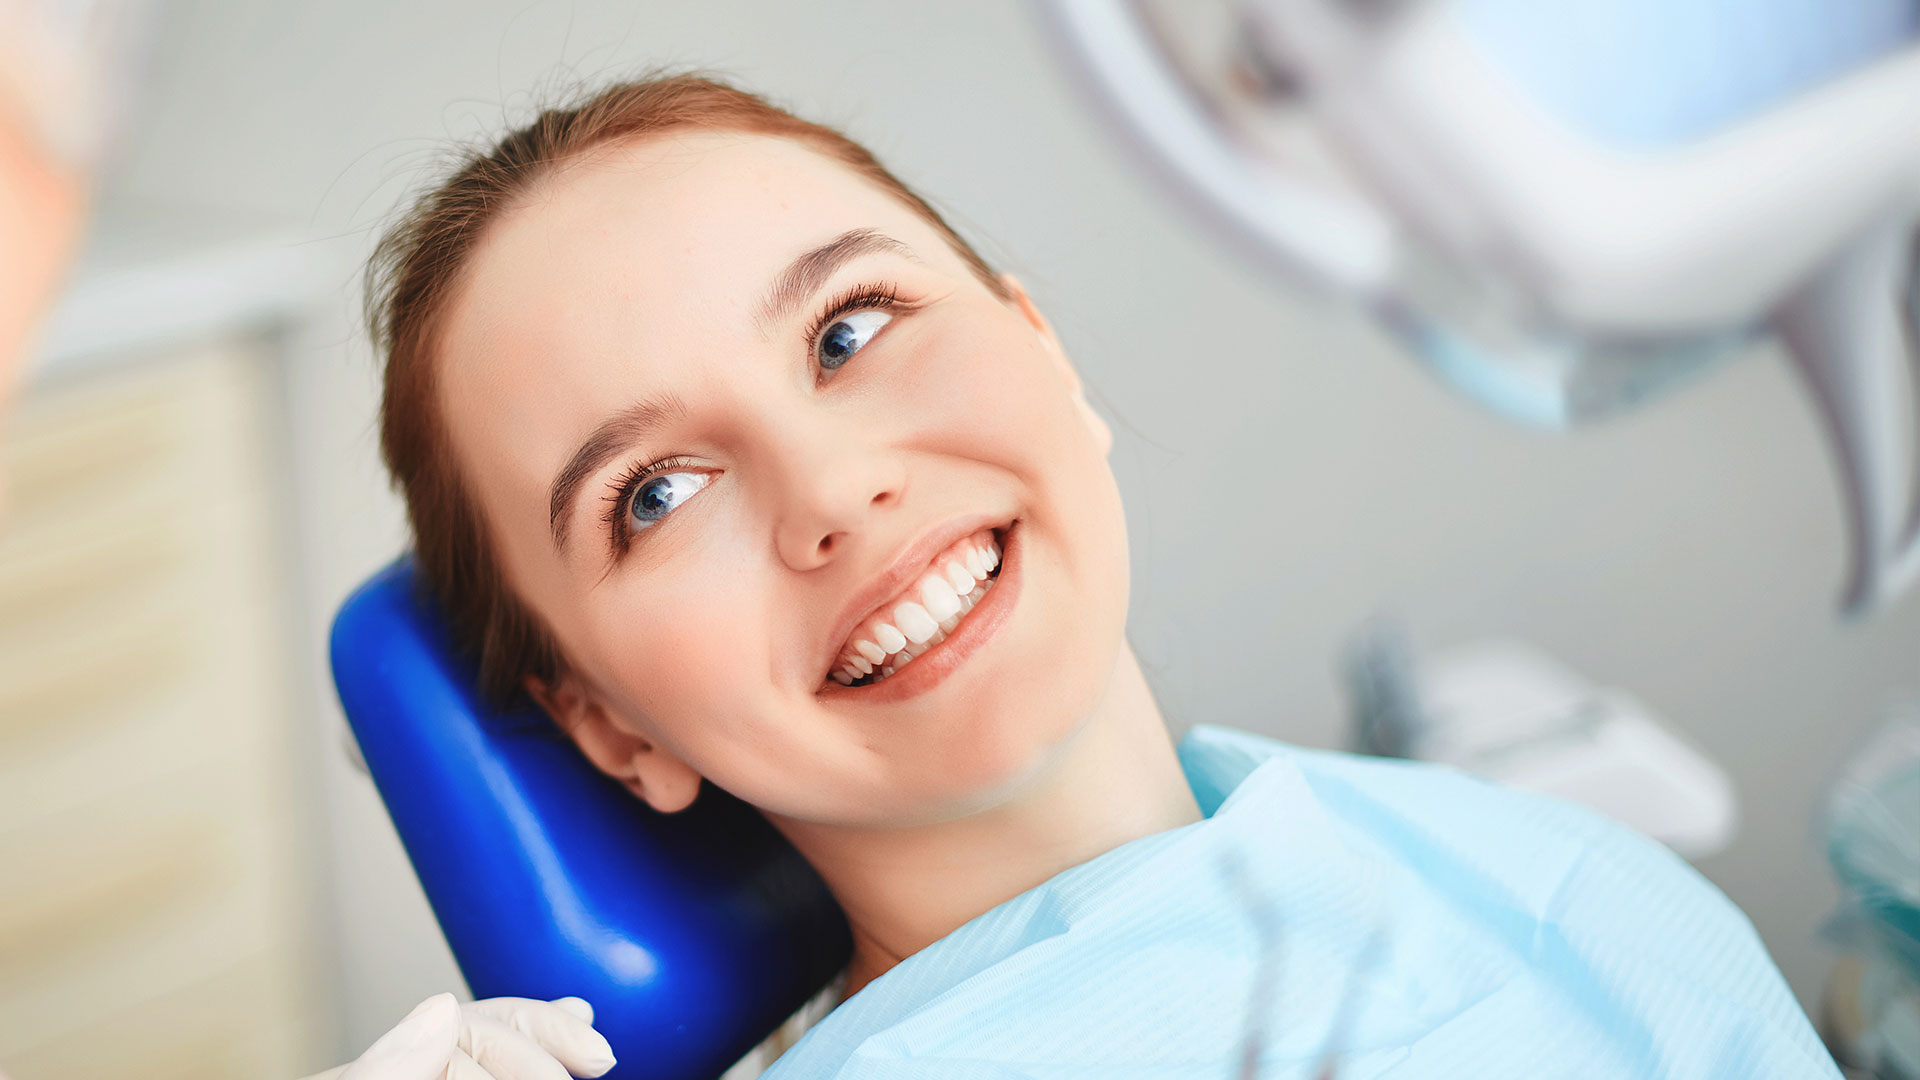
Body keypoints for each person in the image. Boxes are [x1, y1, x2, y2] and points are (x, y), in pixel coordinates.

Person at [338, 73, 1841, 1078]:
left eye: (850, 329)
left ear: (1047, 358)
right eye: (655, 494)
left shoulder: (1555, 880)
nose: (836, 495)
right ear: (610, 726)